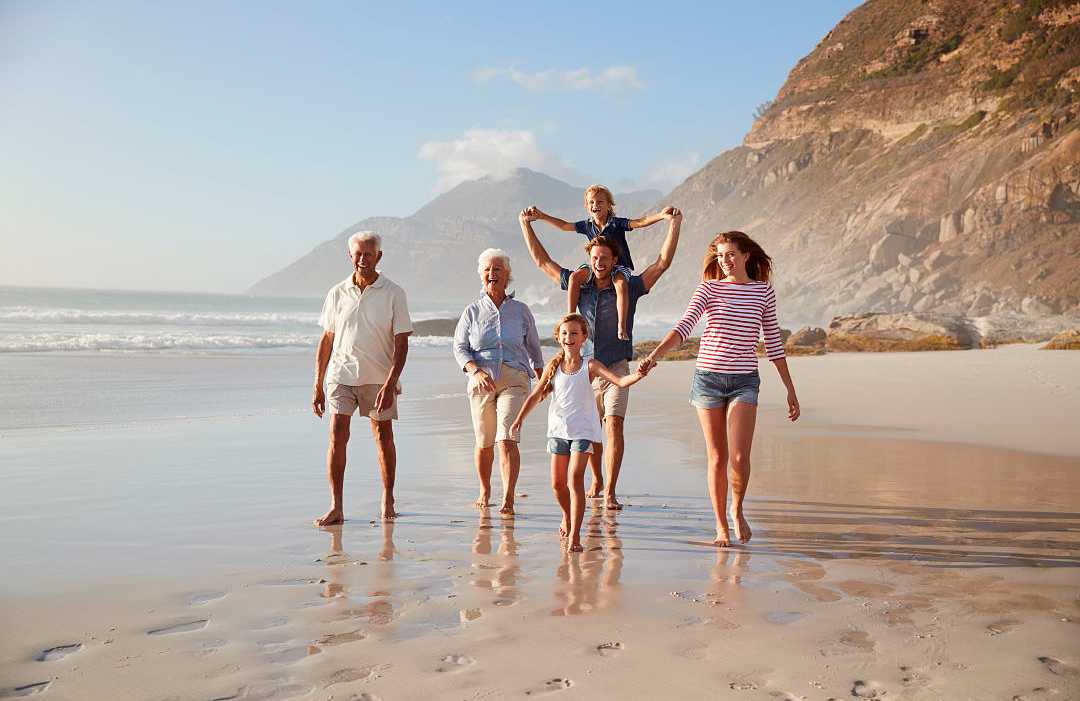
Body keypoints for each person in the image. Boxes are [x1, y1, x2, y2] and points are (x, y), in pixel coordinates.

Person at [638, 231, 801, 547]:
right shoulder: (709, 289)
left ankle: (736, 509)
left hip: (744, 381)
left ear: (745, 256)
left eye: (731, 255)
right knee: (717, 456)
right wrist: (654, 355)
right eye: (721, 256)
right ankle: (721, 526)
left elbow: (773, 342)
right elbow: (685, 327)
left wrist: (789, 389)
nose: (725, 261)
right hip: (709, 379)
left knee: (740, 458)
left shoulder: (763, 292)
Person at [519, 205, 682, 510]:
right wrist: (526, 225)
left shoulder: (629, 287)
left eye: (605, 259)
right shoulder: (580, 286)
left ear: (614, 260)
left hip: (618, 367)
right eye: (595, 259)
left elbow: (662, 263)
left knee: (613, 426)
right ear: (590, 260)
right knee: (591, 432)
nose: (599, 263)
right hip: (587, 371)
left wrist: (674, 223)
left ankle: (610, 491)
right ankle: (598, 479)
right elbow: (543, 262)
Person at [510, 314, 645, 552]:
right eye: (564, 333)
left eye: (574, 333)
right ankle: (567, 516)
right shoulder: (553, 367)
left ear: (584, 337)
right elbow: (535, 396)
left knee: (574, 481)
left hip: (582, 432)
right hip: (558, 431)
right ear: (558, 337)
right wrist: (519, 419)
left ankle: (574, 535)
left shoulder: (590, 365)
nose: (568, 338)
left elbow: (619, 382)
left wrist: (639, 374)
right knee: (557, 485)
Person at [312, 231, 413, 525]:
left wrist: (391, 382)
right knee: (337, 436)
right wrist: (318, 383)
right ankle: (336, 506)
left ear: (379, 256)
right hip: (341, 375)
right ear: (350, 255)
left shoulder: (394, 292)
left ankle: (388, 497)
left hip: (379, 377)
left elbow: (402, 341)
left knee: (383, 437)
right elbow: (327, 339)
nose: (362, 259)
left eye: (368, 254)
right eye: (357, 254)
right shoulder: (337, 292)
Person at [453, 248, 544, 515]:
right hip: (482, 380)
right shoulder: (471, 311)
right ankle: (484, 489)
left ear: (508, 276)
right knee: (484, 441)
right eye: (487, 270)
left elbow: (535, 349)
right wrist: (474, 370)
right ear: (481, 276)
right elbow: (460, 347)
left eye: (497, 270)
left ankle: (508, 497)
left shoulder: (521, 311)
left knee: (507, 437)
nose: (492, 274)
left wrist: (544, 381)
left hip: (515, 378)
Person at [528, 184, 676, 341]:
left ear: (609, 205)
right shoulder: (587, 225)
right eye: (591, 202)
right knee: (574, 278)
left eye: (600, 202)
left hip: (619, 266)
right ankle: (570, 318)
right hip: (596, 265)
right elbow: (564, 226)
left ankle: (621, 326)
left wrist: (661, 215)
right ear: (586, 206)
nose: (595, 205)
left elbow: (640, 222)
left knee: (620, 285)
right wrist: (542, 216)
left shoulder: (616, 223)